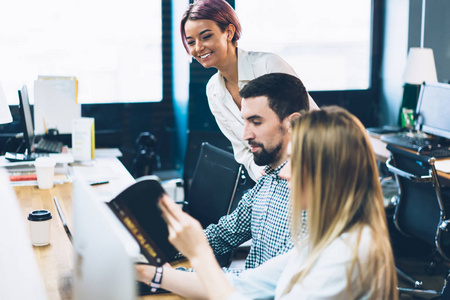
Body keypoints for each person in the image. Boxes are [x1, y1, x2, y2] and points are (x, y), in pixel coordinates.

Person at [136, 106, 398, 299]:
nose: (283, 172)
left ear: (326, 172)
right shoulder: (325, 238)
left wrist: (199, 254)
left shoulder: (345, 256)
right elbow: (245, 286)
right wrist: (147, 273)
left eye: (294, 161)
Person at [180, 0, 319, 182]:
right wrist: (262, 175)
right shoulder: (213, 91)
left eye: (206, 37)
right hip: (267, 181)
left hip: (308, 171)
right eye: (191, 42)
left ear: (228, 32)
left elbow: (314, 125)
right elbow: (242, 151)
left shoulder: (269, 65)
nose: (198, 48)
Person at [204, 72, 309, 271]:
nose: (245, 135)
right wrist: (159, 246)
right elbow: (223, 234)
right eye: (245, 121)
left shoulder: (307, 197)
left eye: (256, 122)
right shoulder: (267, 178)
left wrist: (163, 276)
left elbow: (259, 285)